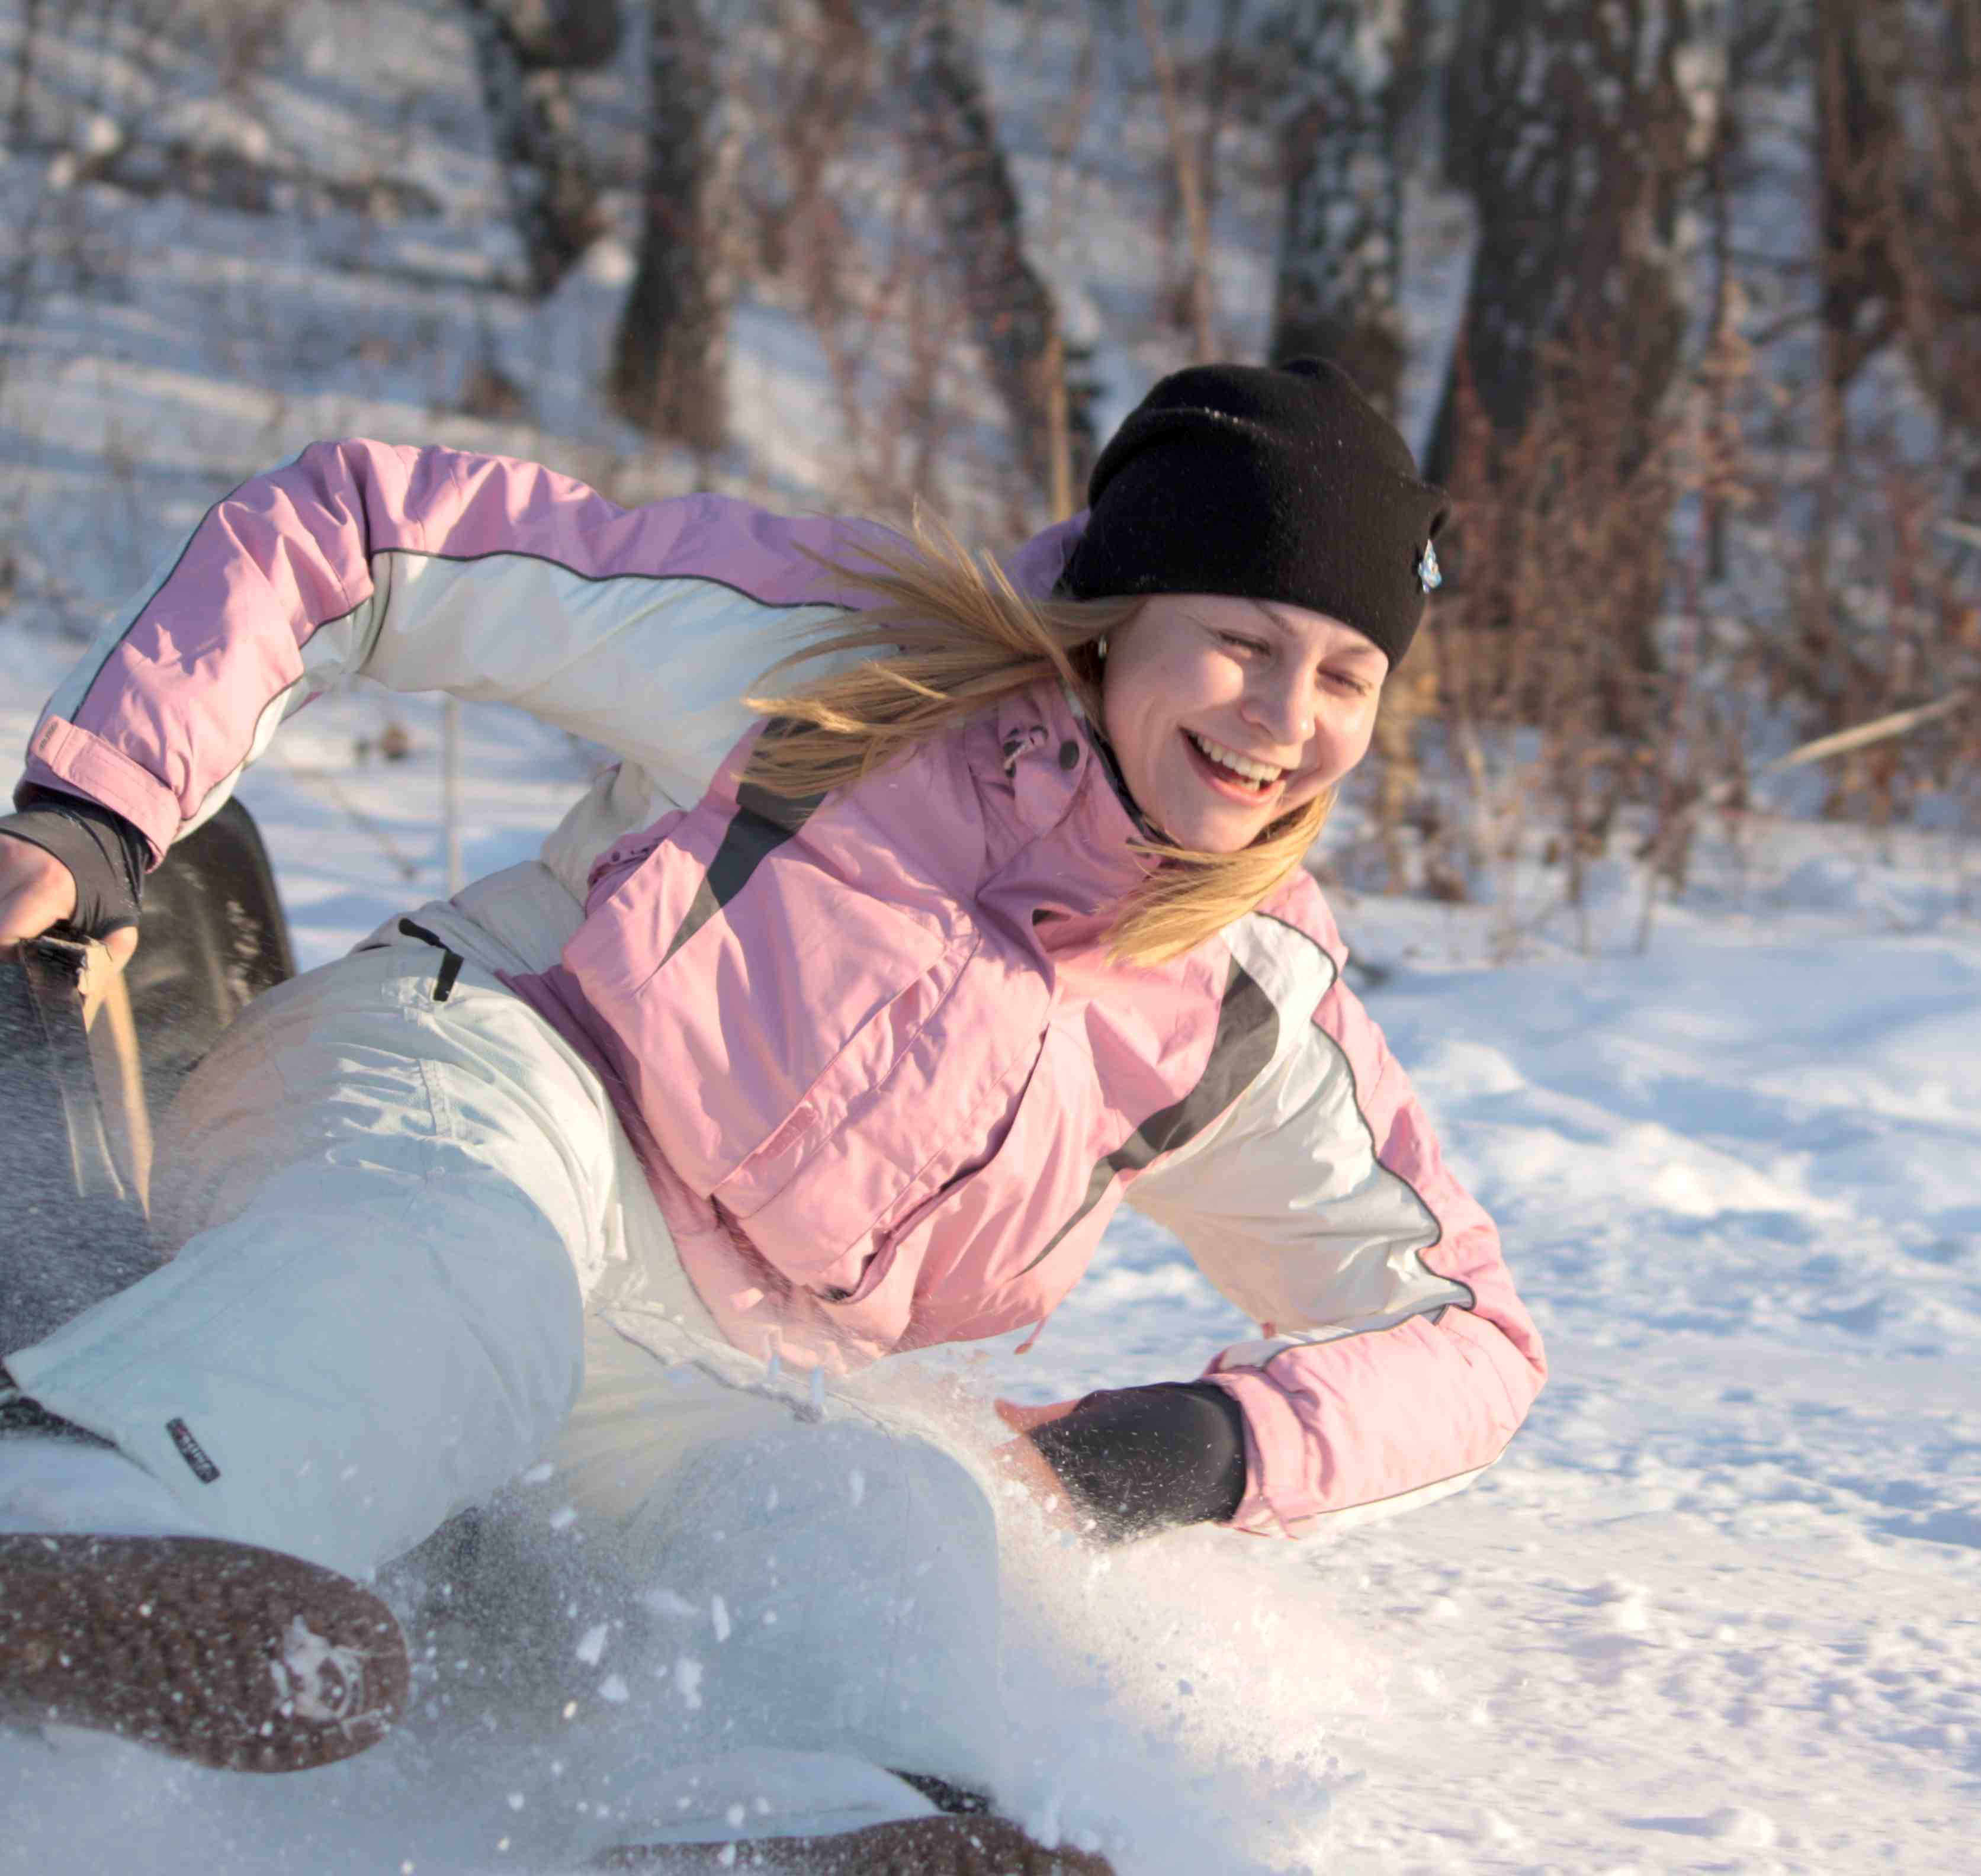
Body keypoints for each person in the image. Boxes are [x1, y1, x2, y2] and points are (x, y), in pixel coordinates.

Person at [0, 361, 1544, 1818]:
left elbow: (1466, 1338)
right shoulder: (844, 657)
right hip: (467, 1093)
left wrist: (1187, 1447)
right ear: (1119, 612)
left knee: (879, 1512)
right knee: (466, 1254)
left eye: (1348, 674)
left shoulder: (1248, 993)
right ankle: (86, 1524)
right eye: (1244, 642)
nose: (1289, 719)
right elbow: (366, 532)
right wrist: (99, 810)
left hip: (712, 1361)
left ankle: (812, 1823)